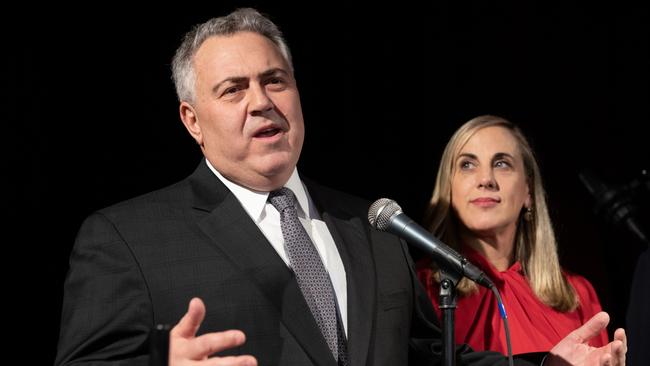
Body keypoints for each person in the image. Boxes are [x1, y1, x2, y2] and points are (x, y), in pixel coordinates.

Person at [55, 8, 626, 366]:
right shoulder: (128, 237)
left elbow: (431, 356)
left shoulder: (373, 227)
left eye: (274, 80)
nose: (261, 101)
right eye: (233, 90)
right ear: (192, 121)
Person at [417, 115, 610, 355]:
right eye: (467, 164)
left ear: (527, 191)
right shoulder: (420, 289)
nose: (486, 179)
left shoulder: (577, 293)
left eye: (502, 164)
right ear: (448, 187)